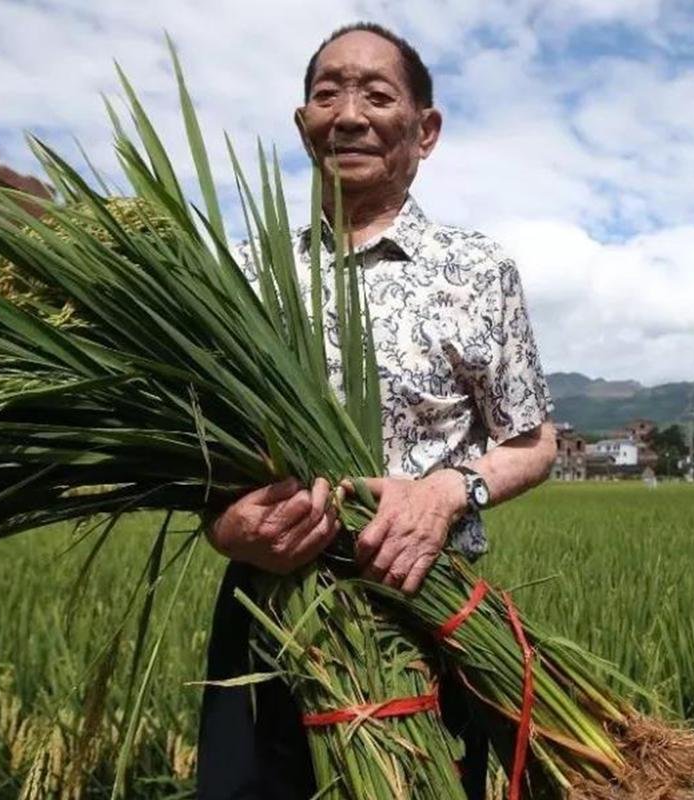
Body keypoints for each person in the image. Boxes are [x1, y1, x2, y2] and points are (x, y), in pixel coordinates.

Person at [197, 22, 557, 800]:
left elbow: (531, 442)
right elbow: (198, 453)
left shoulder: (476, 270)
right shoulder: (248, 275)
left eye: (377, 94)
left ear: (424, 131)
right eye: (327, 93)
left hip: (423, 610)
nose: (349, 114)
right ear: (303, 125)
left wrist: (446, 492)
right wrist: (224, 525)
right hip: (268, 607)